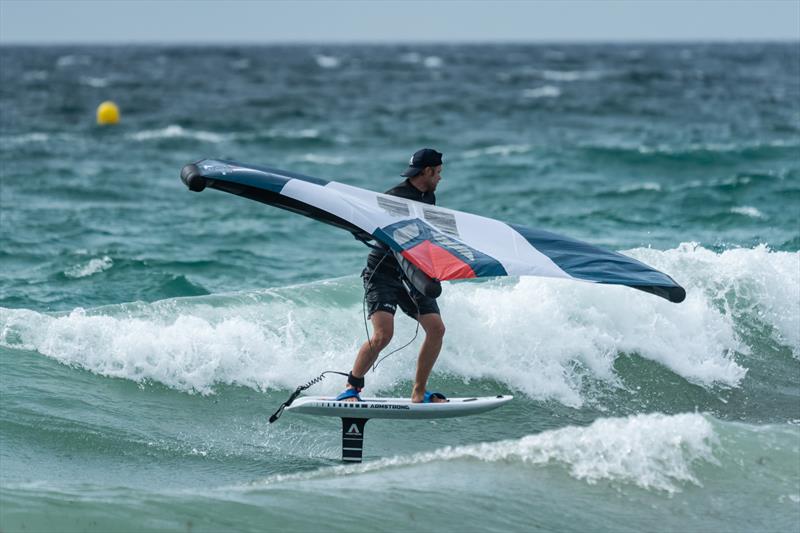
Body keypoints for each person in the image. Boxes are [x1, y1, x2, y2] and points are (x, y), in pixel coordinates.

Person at [337, 148, 448, 404]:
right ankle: (351, 388)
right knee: (383, 335)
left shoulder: (428, 196)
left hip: (412, 272)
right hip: (382, 272)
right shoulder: (393, 198)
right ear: (427, 171)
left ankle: (419, 392)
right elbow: (365, 227)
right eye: (439, 172)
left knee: (436, 329)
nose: (441, 178)